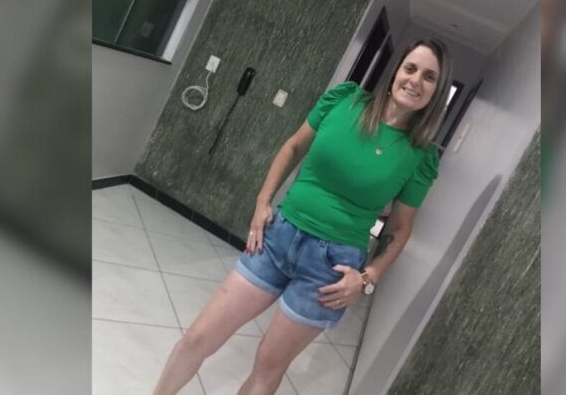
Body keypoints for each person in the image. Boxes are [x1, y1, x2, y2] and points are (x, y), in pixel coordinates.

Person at [153, 38, 451, 395]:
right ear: (396, 72)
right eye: (411, 68)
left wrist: (367, 277)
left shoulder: (420, 157)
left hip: (330, 269)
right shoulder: (344, 100)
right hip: (278, 237)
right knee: (199, 337)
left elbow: (400, 228)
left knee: (267, 365)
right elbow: (294, 146)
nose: (416, 80)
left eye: (429, 77)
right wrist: (263, 201)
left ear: (438, 92)